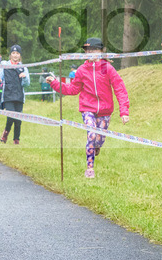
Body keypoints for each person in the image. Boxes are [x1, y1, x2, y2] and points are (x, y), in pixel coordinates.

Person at [46, 37, 130, 179]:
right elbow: (72, 89)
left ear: (101, 51)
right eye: (87, 50)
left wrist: (124, 111)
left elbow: (119, 89)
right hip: (87, 109)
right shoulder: (81, 70)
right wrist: (54, 83)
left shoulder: (107, 68)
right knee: (91, 134)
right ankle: (90, 168)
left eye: (94, 50)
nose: (90, 53)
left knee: (99, 140)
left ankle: (96, 147)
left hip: (105, 110)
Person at [0, 45, 30, 145]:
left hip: (19, 96)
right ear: (10, 55)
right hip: (8, 95)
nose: (15, 55)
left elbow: (27, 84)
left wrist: (24, 77)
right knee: (11, 116)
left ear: (20, 55)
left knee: (18, 119)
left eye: (17, 53)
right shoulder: (4, 65)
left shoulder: (23, 68)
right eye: (13, 53)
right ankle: (5, 134)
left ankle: (16, 139)